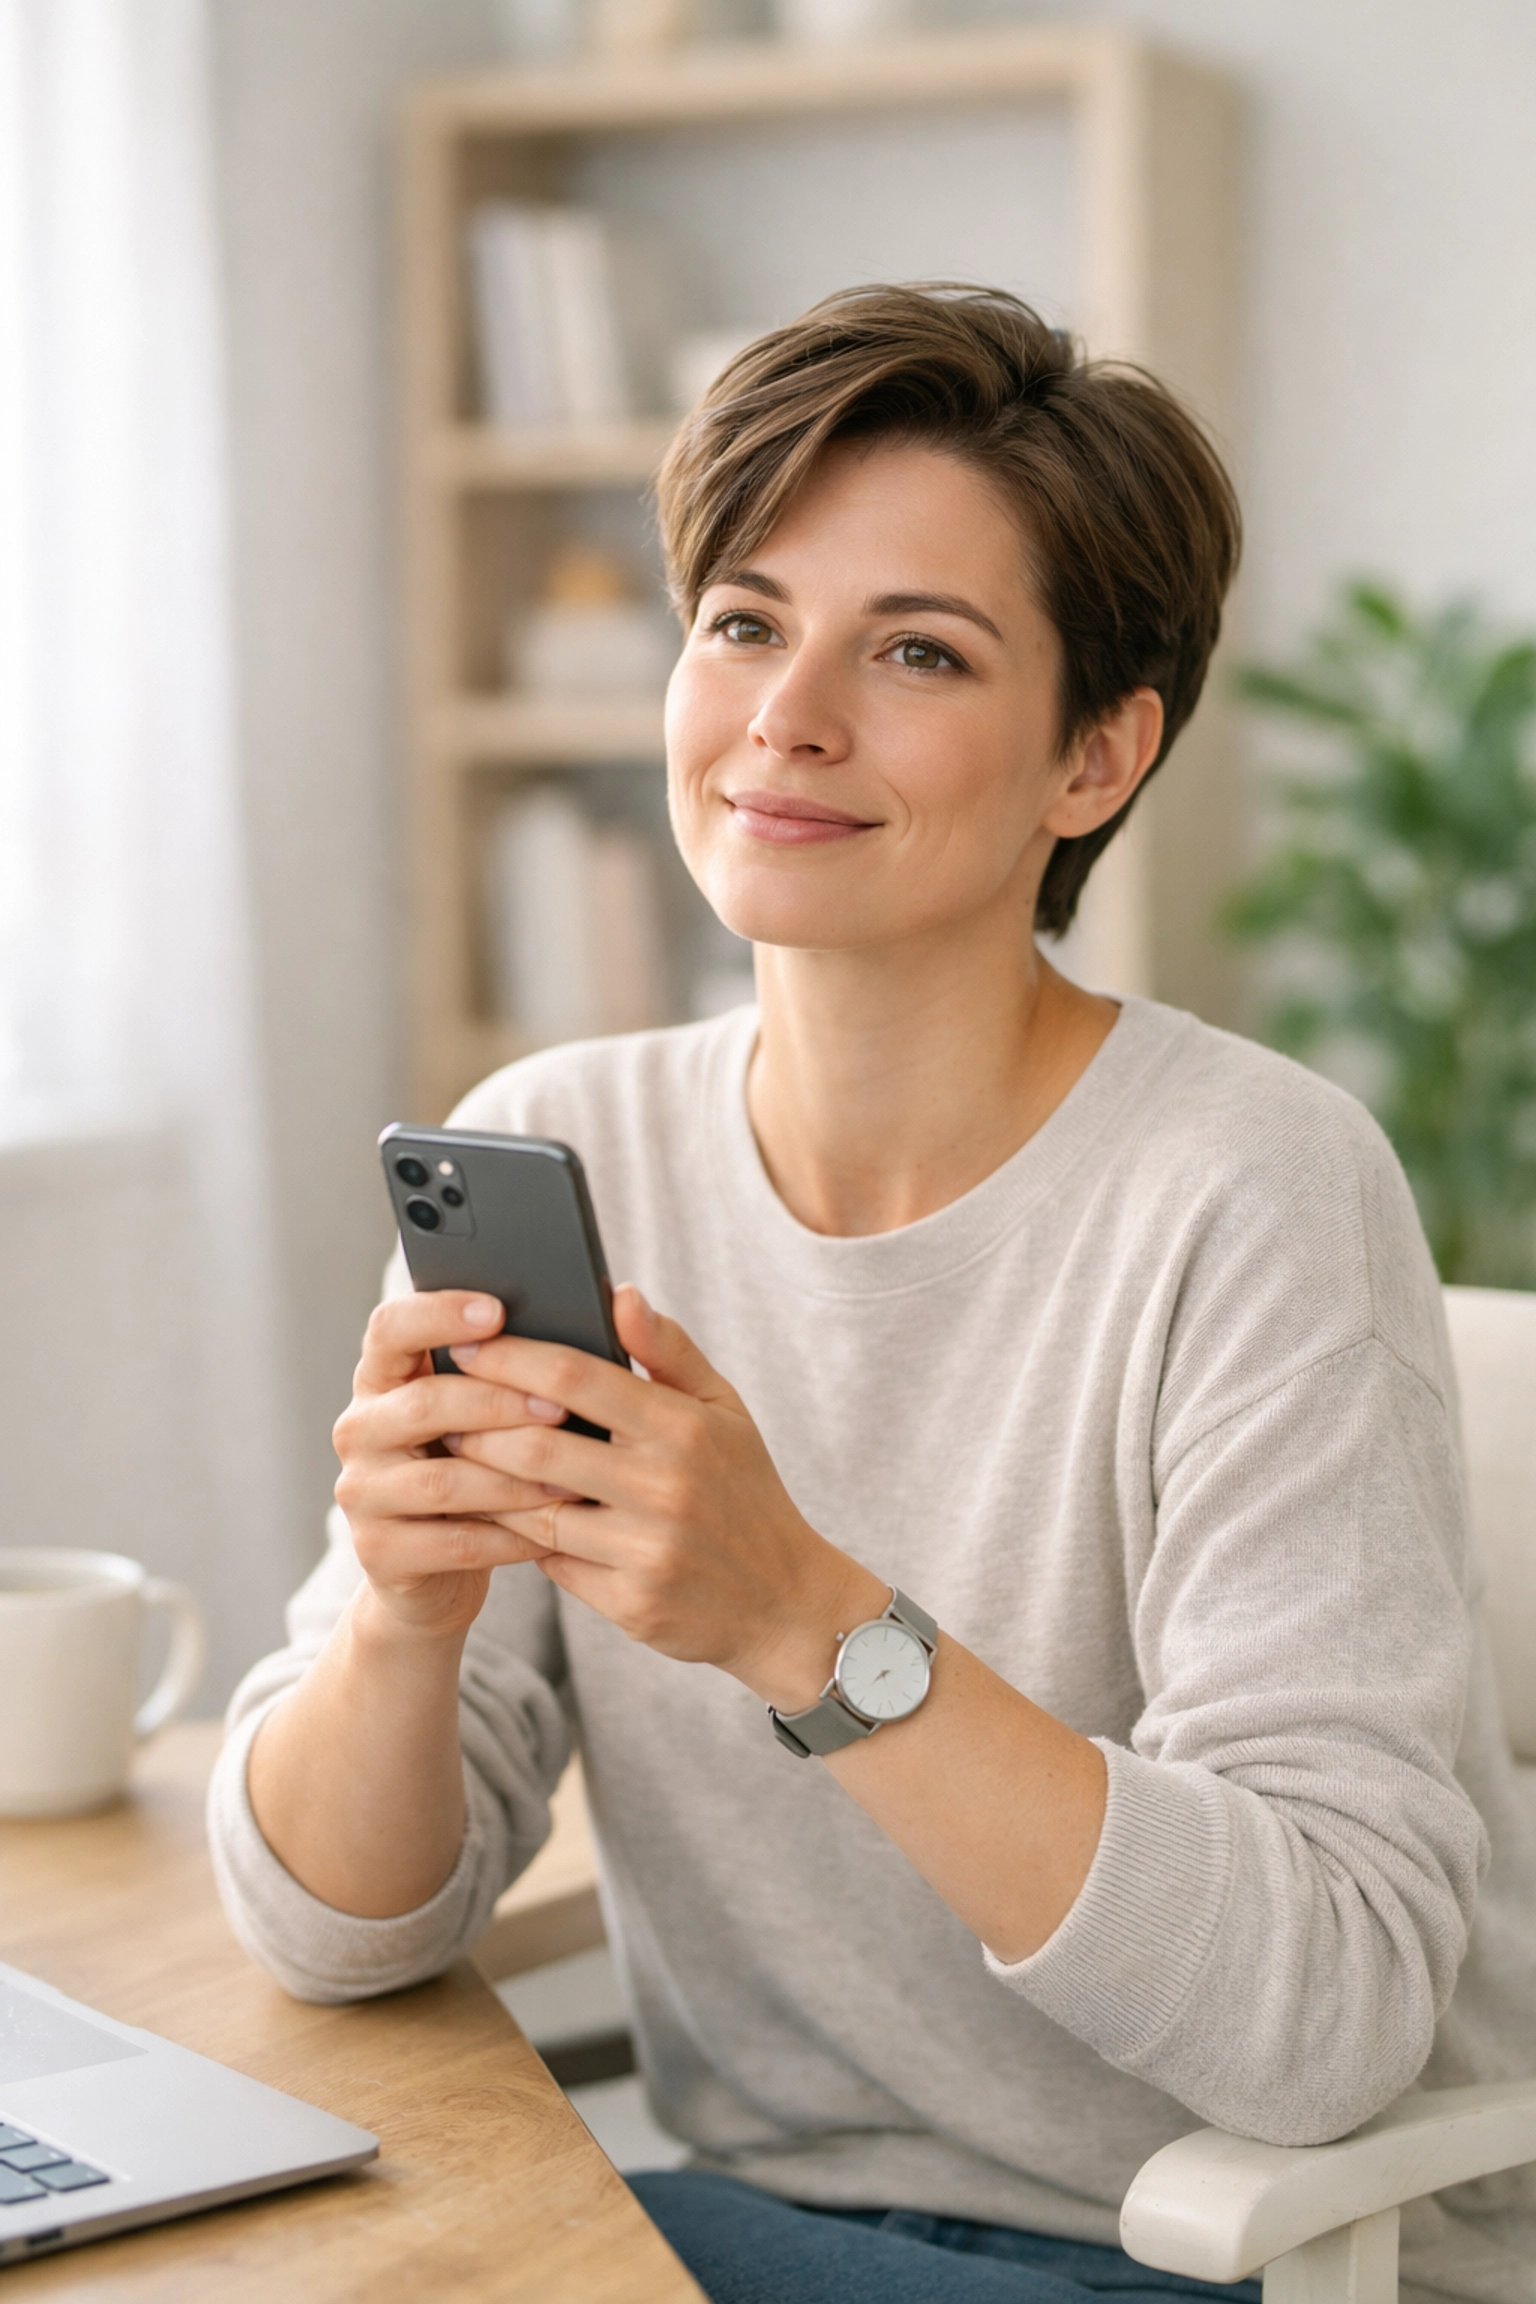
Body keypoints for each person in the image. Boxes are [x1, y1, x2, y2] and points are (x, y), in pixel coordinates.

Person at [209, 286, 1536, 2304]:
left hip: (1213, 2262)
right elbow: (340, 1934)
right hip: (753, 2234)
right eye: (744, 621)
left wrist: (804, 1622)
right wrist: (403, 1624)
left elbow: (1328, 2020)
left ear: (1096, 755)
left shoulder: (1249, 1188)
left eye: (916, 650)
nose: (785, 714)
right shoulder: (558, 1145)